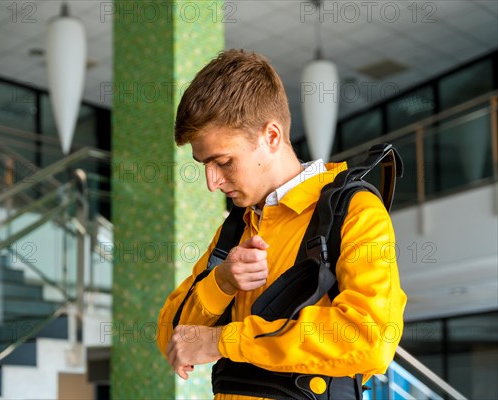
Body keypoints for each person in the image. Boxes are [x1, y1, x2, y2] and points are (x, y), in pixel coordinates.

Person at [156, 49, 407, 399]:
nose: (212, 182)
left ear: (271, 136)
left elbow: (370, 339)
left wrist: (223, 341)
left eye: (224, 162)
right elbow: (172, 336)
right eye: (204, 165)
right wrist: (222, 281)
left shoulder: (355, 212)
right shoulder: (236, 227)